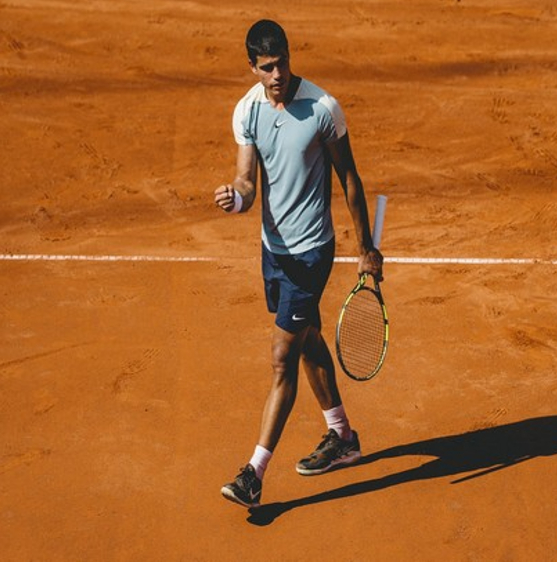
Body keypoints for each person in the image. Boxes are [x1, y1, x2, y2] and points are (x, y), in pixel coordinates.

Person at [214, 19, 384, 508]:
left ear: (290, 56)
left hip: (312, 251)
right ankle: (343, 438)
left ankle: (254, 473)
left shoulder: (323, 108)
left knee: (282, 356)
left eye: (282, 63)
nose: (277, 75)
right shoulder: (246, 111)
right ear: (252, 67)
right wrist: (237, 199)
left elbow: (348, 177)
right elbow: (247, 180)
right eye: (266, 68)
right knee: (308, 340)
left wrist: (365, 248)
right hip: (274, 250)